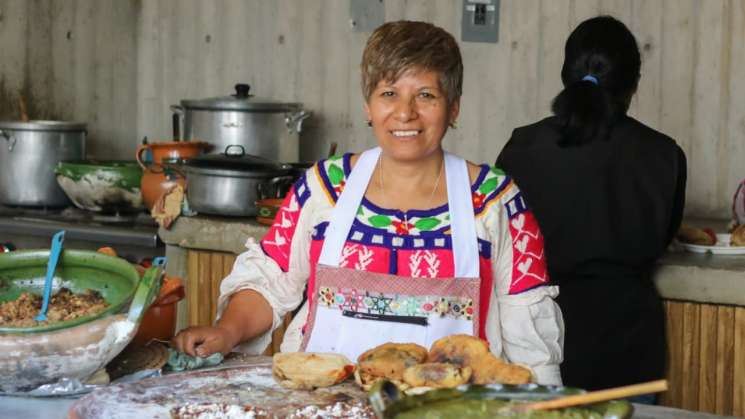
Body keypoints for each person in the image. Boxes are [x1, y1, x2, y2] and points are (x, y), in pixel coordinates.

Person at [173, 20, 564, 385]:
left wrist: (547, 403)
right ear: (368, 105)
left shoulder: (496, 202)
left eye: (426, 95)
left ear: (454, 108)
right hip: (323, 406)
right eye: (389, 93)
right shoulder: (325, 188)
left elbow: (529, 333)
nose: (405, 112)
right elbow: (271, 282)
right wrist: (226, 331)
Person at [496, 16, 687, 395]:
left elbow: (503, 242)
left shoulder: (522, 148)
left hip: (537, 343)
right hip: (629, 348)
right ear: (633, 84)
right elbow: (662, 238)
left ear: (566, 73)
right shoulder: (664, 154)